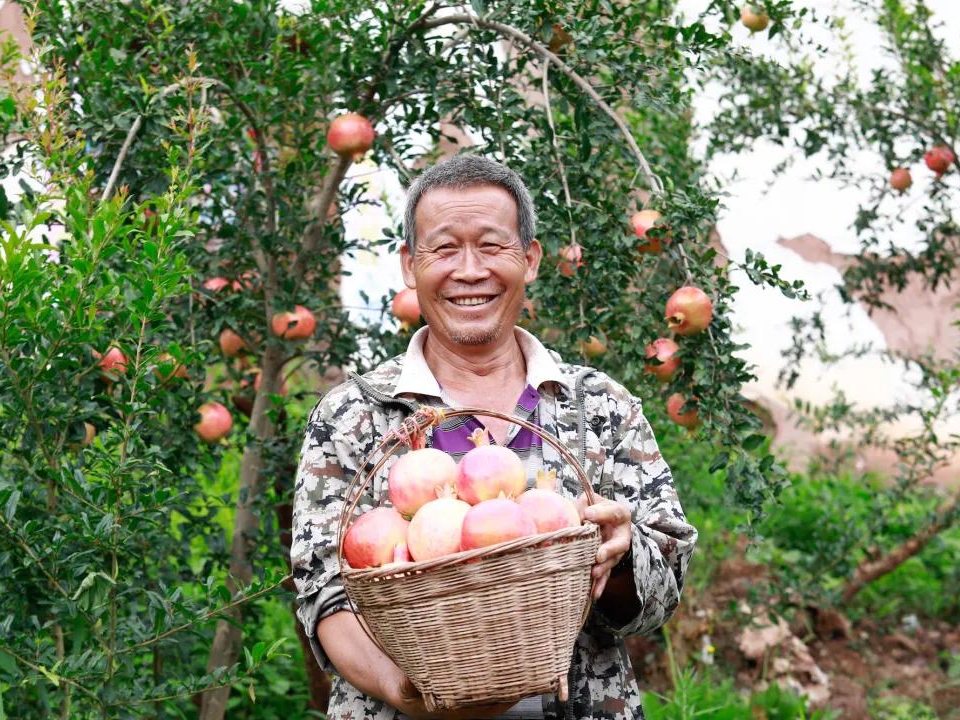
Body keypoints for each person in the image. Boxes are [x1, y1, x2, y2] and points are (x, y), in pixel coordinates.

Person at [291, 154, 697, 719]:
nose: (470, 270)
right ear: (410, 265)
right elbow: (324, 593)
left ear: (529, 259)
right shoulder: (353, 415)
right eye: (444, 249)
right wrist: (403, 691)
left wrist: (621, 558)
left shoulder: (599, 406)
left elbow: (666, 583)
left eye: (491, 245)